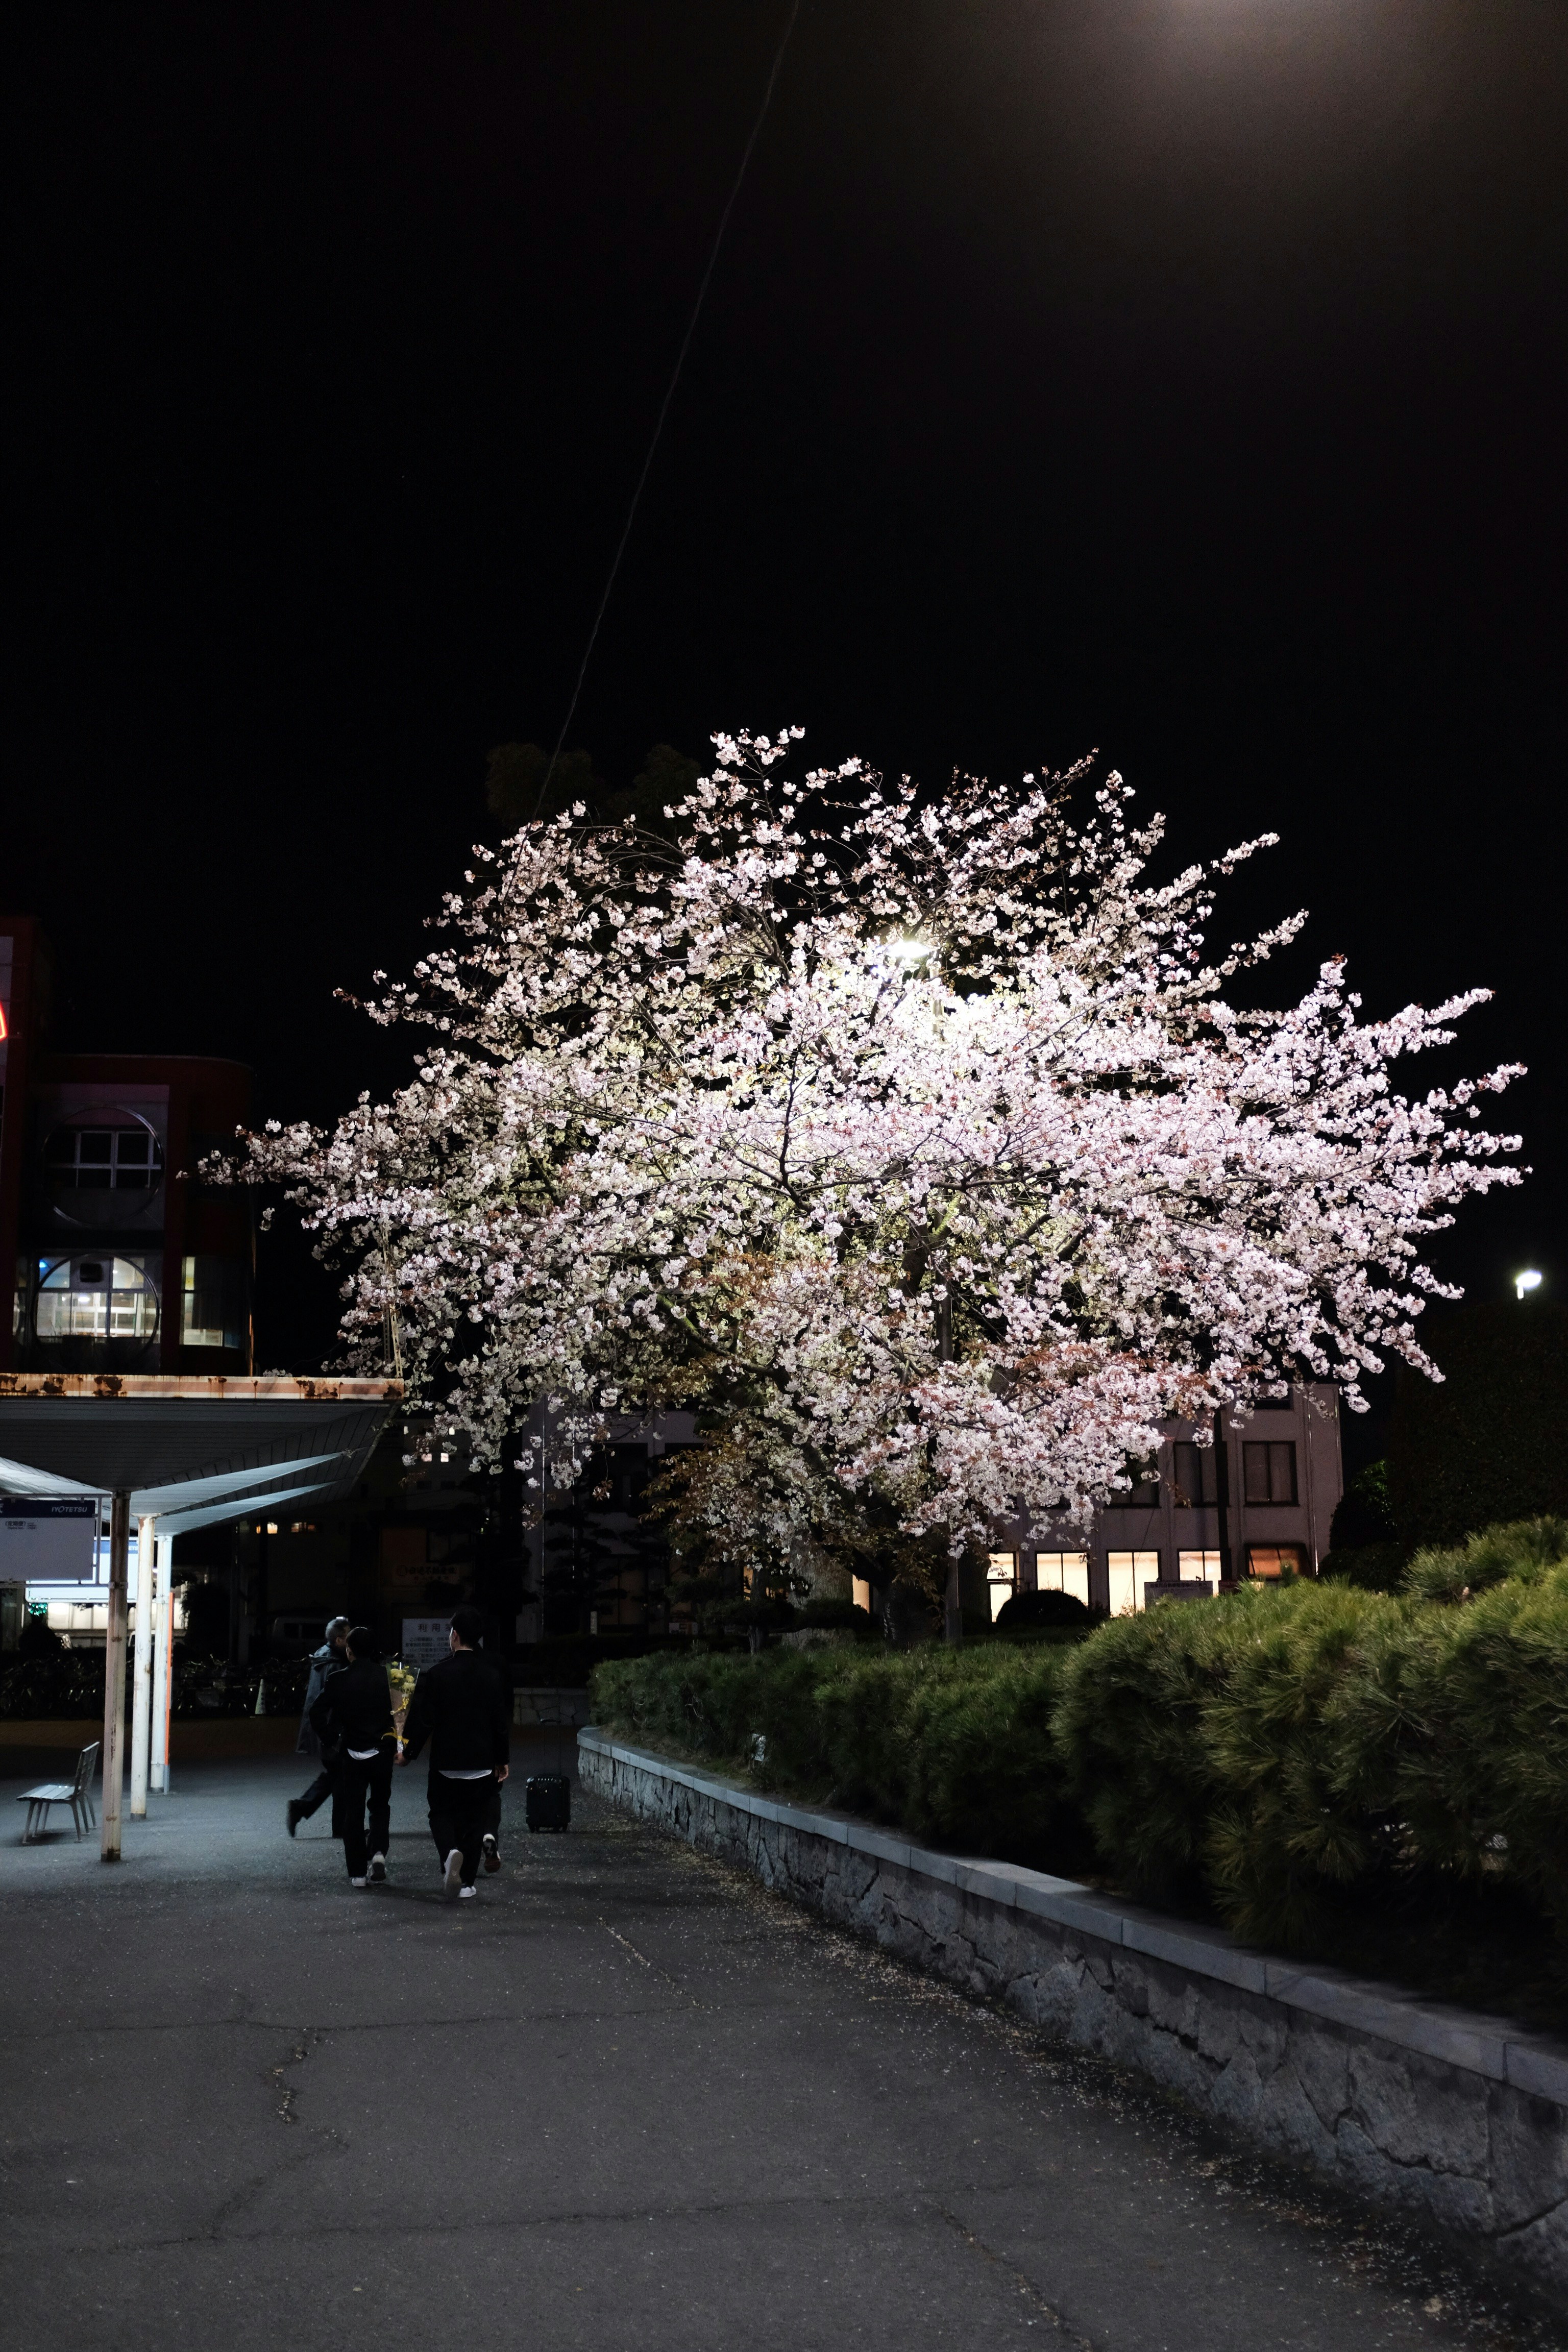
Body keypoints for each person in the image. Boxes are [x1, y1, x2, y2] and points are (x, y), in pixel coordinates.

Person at [398, 1604, 510, 1901]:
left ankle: (449, 1854)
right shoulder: (492, 1675)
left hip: (446, 1762)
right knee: (475, 1820)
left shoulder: (438, 1674)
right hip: (482, 1761)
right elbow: (500, 1723)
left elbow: (425, 1720)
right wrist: (502, 1760)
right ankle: (469, 1883)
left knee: (441, 1813)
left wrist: (407, 1754)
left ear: (455, 1636)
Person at [308, 1625, 396, 1886]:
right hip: (381, 1751)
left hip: (351, 1753)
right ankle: (378, 1852)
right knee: (380, 1805)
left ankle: (357, 1873)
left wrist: (331, 1739)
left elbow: (316, 1712)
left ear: (349, 1650)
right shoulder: (390, 1678)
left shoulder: (338, 1679)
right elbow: (402, 1715)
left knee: (353, 1812)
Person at [287, 1616, 349, 1836]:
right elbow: (337, 1704)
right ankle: (339, 1827)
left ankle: (303, 1808)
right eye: (349, 1637)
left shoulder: (324, 1656)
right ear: (340, 1640)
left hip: (322, 1730)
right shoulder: (336, 1664)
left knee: (335, 1775)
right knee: (341, 1777)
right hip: (332, 1732)